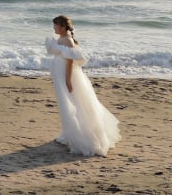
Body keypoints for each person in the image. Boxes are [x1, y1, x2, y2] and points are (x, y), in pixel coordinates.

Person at [45, 15, 121, 157]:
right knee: (66, 104)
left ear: (62, 26)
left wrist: (68, 80)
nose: (53, 28)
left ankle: (84, 137)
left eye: (55, 25)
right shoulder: (61, 39)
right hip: (60, 74)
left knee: (74, 104)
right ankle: (69, 134)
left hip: (66, 76)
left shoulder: (68, 40)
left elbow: (69, 62)